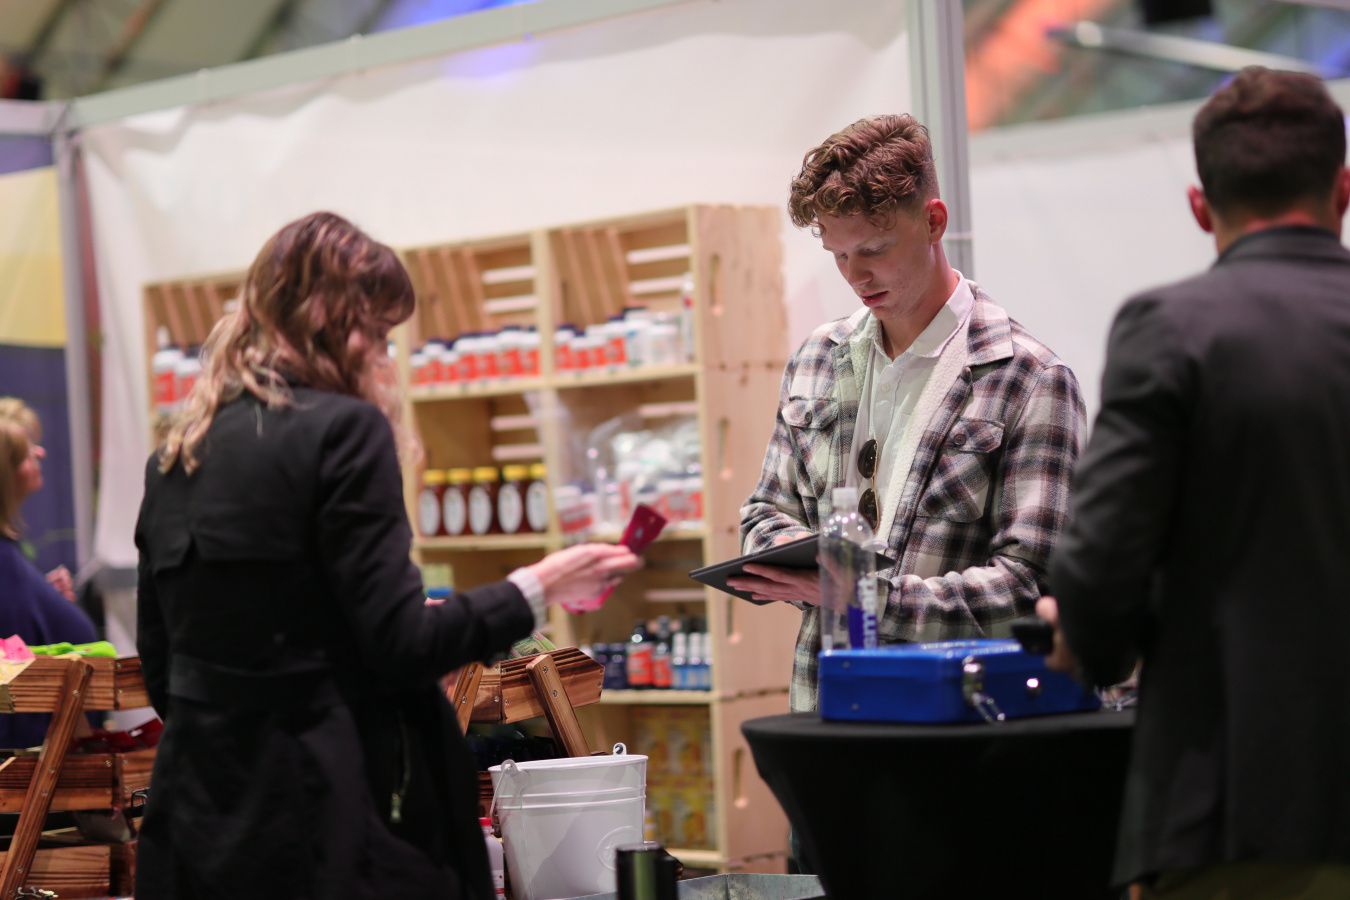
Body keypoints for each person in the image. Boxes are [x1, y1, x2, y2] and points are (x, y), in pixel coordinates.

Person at [133, 212, 640, 900]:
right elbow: (401, 645)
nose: (383, 356)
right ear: (328, 319)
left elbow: (165, 669)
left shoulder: (175, 457)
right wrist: (536, 586)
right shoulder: (344, 432)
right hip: (322, 819)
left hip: (197, 821)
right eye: (376, 333)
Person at [1039, 67, 1350, 899]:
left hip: (1244, 815)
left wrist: (1087, 636)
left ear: (1200, 207)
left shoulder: (1174, 330)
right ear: (1343, 189)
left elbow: (1100, 566)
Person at [733, 114, 1085, 713]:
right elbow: (765, 513)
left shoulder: (1030, 379)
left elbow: (1031, 587)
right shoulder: (817, 359)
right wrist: (814, 570)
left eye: (873, 249)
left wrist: (864, 596)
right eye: (838, 255)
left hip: (956, 724)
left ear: (934, 222)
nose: (856, 276)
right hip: (825, 707)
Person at [0, 398, 98, 748]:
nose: (40, 453)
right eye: (27, 451)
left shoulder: (12, 560)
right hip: (28, 758)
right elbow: (9, 660)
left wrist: (42, 602)